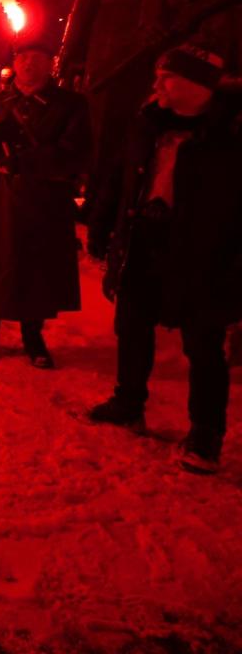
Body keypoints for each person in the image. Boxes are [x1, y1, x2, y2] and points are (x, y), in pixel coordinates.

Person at [86, 45, 240, 474]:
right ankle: (128, 403)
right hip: (143, 240)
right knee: (132, 325)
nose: (156, 85)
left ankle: (205, 436)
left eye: (166, 78)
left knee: (203, 344)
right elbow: (121, 176)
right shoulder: (148, 122)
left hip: (205, 255)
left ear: (195, 85)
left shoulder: (230, 135)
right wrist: (102, 226)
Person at [0, 36, 91, 368]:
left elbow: (75, 153)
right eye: (23, 56)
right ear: (15, 62)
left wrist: (27, 162)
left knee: (37, 269)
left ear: (50, 64)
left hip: (43, 198)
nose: (28, 63)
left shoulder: (70, 105)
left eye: (37, 57)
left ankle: (33, 337)